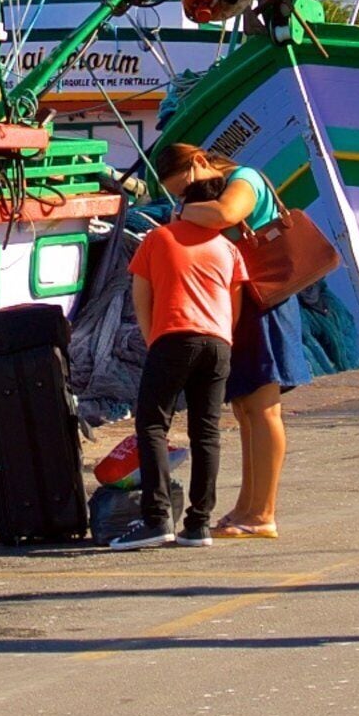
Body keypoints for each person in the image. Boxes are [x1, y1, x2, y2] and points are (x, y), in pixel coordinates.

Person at [150, 142, 318, 538]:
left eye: (183, 187)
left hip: (266, 301)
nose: (185, 197)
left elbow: (227, 214)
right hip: (241, 301)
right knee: (245, 409)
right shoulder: (214, 191)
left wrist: (181, 213)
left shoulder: (245, 179)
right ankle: (247, 506)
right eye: (177, 195)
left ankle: (263, 513)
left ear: (200, 162)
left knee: (263, 408)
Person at [114, 176, 246, 548]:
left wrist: (153, 339)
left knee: (153, 425)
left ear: (186, 204)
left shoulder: (159, 238)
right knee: (206, 432)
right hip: (218, 343)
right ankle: (199, 524)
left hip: (173, 338)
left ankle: (156, 519)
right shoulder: (228, 249)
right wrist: (220, 338)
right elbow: (234, 306)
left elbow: (141, 296)